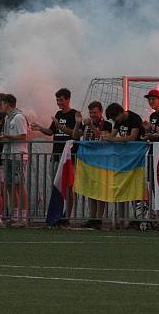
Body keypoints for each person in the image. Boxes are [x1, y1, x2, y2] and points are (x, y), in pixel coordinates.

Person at [30, 88, 81, 225]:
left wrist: (61, 127)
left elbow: (76, 134)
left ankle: (67, 217)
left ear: (68, 99)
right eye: (57, 100)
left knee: (69, 186)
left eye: (61, 100)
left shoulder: (75, 114)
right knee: (58, 186)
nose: (59, 103)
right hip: (56, 155)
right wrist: (40, 128)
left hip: (70, 157)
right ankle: (58, 214)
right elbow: (51, 131)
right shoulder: (58, 114)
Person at [73, 101, 113, 229]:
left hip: (101, 161)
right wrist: (78, 123)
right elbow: (75, 136)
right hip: (88, 161)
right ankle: (92, 217)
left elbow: (102, 138)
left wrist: (92, 126)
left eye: (95, 112)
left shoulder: (107, 124)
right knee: (90, 190)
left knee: (100, 190)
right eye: (90, 113)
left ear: (100, 112)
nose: (92, 115)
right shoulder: (86, 123)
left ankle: (99, 218)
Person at [0, 94, 29, 227]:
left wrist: (6, 136)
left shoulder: (18, 117)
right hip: (8, 154)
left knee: (19, 185)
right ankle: (15, 216)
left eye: (2, 104)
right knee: (9, 185)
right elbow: (9, 136)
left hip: (18, 155)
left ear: (8, 104)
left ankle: (23, 217)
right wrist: (2, 138)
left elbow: (23, 136)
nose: (1, 106)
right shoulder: (8, 118)